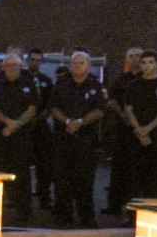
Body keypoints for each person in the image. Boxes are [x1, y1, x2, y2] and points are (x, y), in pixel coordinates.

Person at [48, 51, 106, 227]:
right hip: (63, 139)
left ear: (88, 65)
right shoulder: (61, 83)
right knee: (62, 180)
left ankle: (86, 217)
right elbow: (53, 107)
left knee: (85, 180)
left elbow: (100, 110)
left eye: (81, 63)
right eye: (74, 63)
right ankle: (65, 217)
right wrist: (67, 121)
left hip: (86, 140)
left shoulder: (96, 85)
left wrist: (80, 122)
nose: (77, 66)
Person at [0, 53, 39, 221]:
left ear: (20, 66)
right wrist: (7, 122)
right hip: (0, 134)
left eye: (14, 65)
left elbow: (32, 108)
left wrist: (16, 125)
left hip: (22, 135)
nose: (11, 68)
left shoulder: (28, 81)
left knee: (22, 172)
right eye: (8, 65)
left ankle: (24, 210)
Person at [123, 50, 157, 198]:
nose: (147, 66)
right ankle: (131, 212)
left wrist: (148, 129)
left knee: (155, 173)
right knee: (134, 173)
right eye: (144, 62)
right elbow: (128, 109)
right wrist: (139, 130)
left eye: (151, 62)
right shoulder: (133, 85)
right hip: (136, 134)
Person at [102, 47, 143, 216]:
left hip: (140, 131)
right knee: (118, 169)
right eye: (131, 56)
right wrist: (123, 116)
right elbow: (112, 101)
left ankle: (134, 207)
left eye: (137, 56)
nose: (134, 59)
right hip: (122, 130)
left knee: (136, 171)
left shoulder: (145, 80)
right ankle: (114, 205)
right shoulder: (121, 80)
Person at [26, 48, 55, 209]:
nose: (35, 63)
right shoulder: (22, 78)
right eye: (32, 59)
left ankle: (44, 197)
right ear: (27, 61)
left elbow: (51, 102)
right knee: (23, 163)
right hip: (24, 126)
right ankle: (23, 199)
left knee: (45, 164)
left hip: (41, 126)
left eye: (38, 60)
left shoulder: (46, 80)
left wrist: (41, 117)